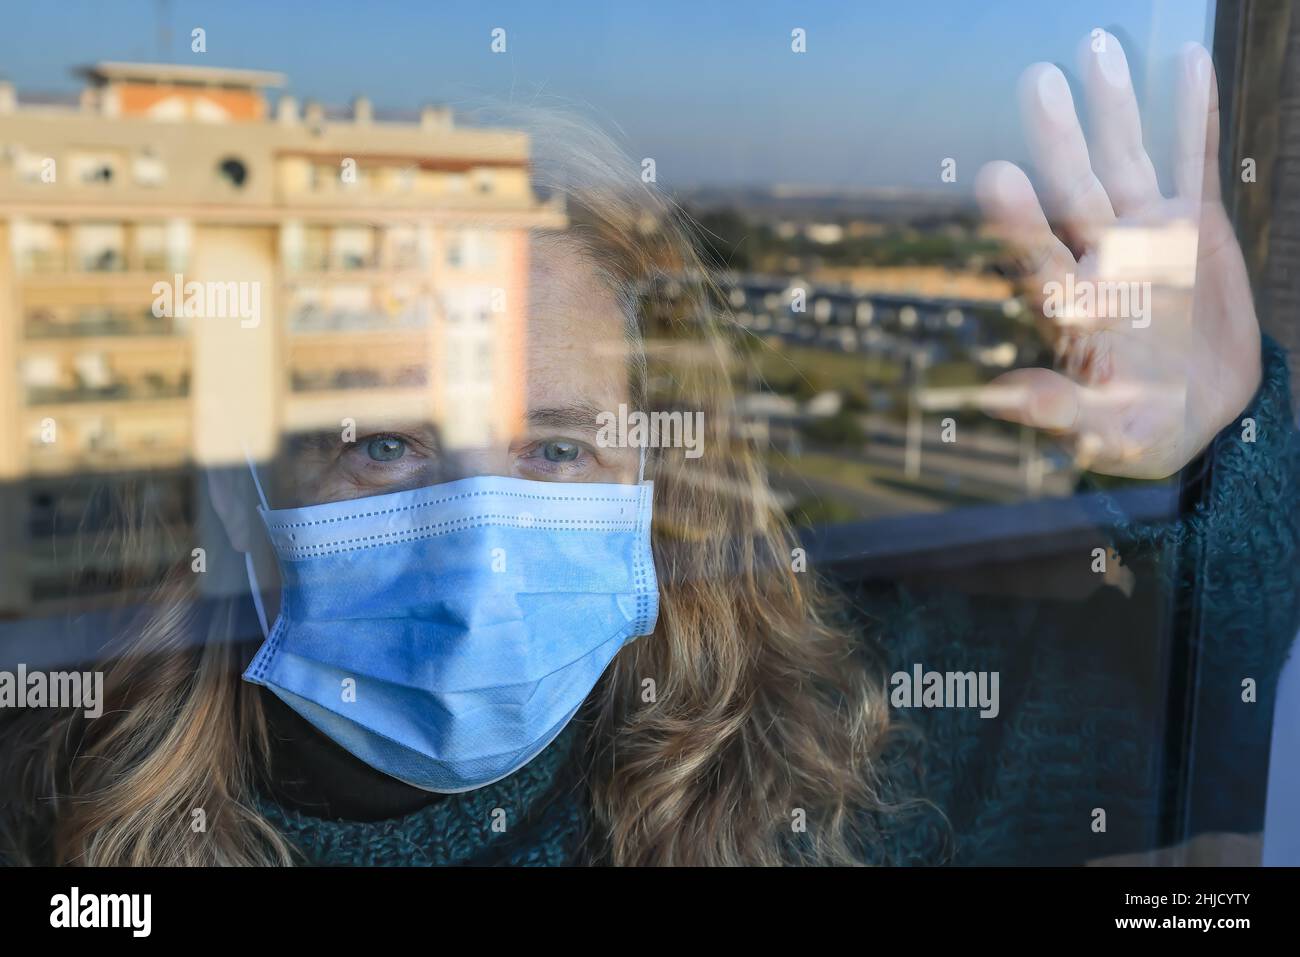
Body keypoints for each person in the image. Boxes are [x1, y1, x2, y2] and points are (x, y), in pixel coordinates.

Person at [1, 34, 1296, 866]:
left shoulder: (823, 757)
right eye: (380, 441)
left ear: (650, 482)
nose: (481, 546)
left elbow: (1194, 740)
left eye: (556, 451)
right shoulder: (56, 816)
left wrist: (1213, 448)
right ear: (240, 498)